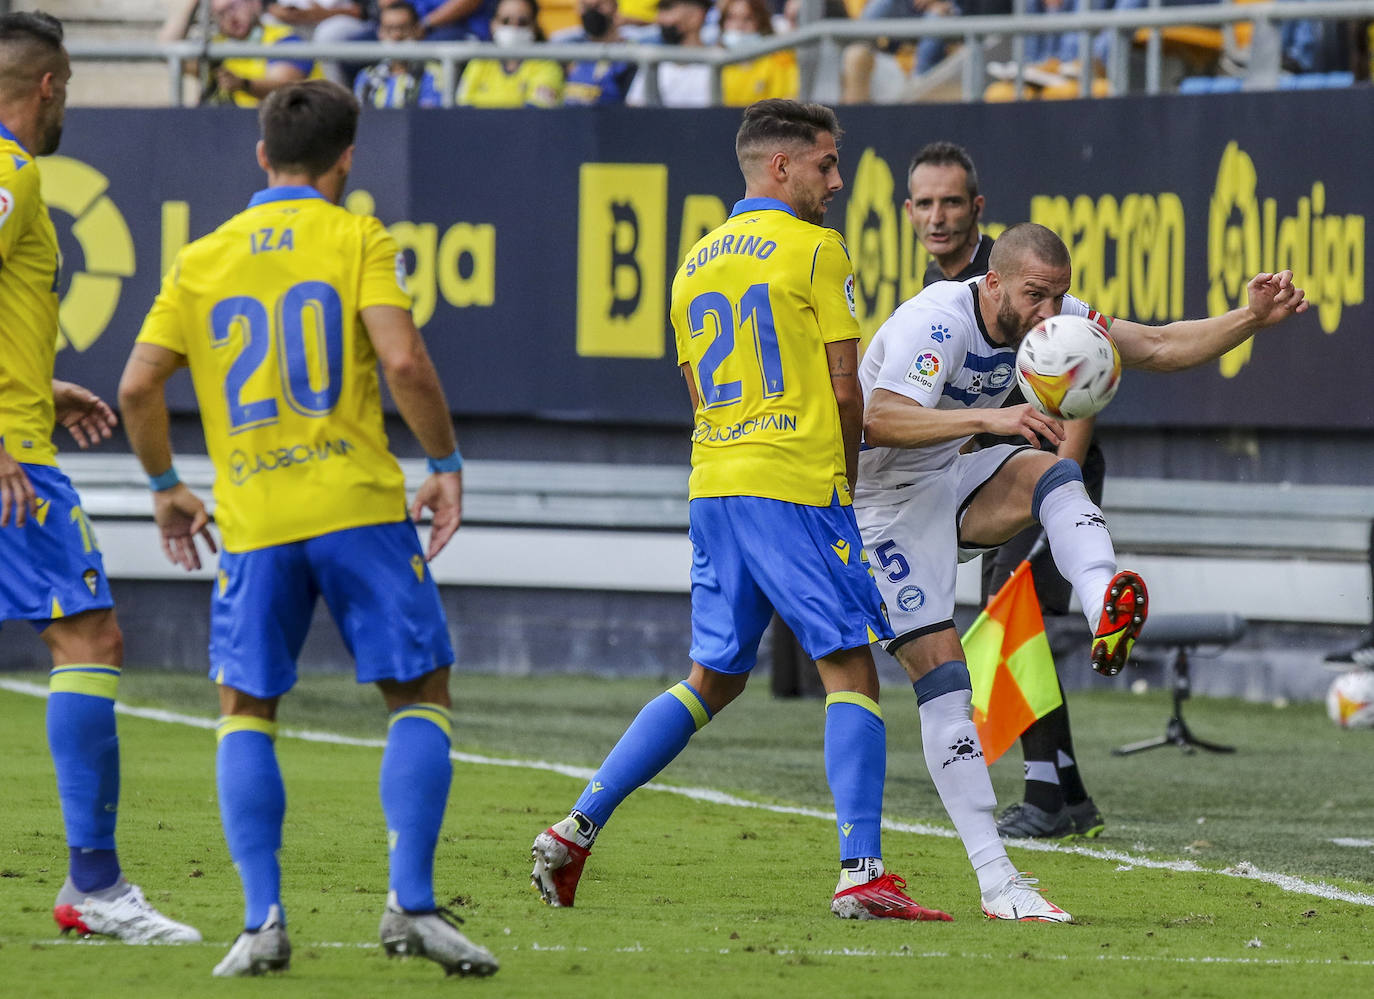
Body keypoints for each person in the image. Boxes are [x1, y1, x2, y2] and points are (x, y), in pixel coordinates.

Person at [531, 99, 953, 923]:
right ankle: (862, 871)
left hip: (716, 482)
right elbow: (845, 386)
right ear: (780, 166)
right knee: (851, 667)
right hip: (794, 482)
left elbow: (696, 392)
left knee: (713, 677)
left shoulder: (693, 264)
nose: (837, 181)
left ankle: (576, 827)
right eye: (827, 165)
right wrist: (844, 481)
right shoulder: (816, 250)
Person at [116, 80, 498, 979]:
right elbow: (402, 358)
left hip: (253, 517)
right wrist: (443, 463)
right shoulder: (356, 234)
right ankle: (408, 902)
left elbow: (137, 386)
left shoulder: (203, 256)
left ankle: (261, 922)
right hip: (360, 507)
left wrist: (168, 485)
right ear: (346, 160)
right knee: (419, 692)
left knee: (246, 710)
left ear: (261, 156)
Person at [854, 222, 1307, 913]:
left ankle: (1105, 609)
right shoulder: (936, 323)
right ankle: (997, 880)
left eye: (1058, 295)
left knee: (1055, 475)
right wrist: (997, 422)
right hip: (878, 507)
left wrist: (1252, 317)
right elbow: (879, 418)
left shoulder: (1056, 317)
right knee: (947, 680)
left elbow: (1155, 344)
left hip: (950, 478)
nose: (1049, 312)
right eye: (1036, 295)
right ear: (995, 281)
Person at [0, 11, 201, 946]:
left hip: (20, 426)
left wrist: (36, 381)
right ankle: (96, 885)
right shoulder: (11, 167)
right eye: (68, 87)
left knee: (85, 631)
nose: (66, 102)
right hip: (12, 466)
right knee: (88, 634)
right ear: (48, 86)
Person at [908, 141, 1105, 841]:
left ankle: (1046, 792)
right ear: (909, 212)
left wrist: (1062, 487)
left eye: (952, 202)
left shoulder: (1020, 278)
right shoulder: (939, 303)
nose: (938, 217)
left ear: (977, 209)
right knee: (1005, 617)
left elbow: (1078, 383)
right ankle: (1070, 789)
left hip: (1042, 470)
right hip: (982, 482)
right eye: (926, 203)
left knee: (1007, 613)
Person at [840, 0, 961, 104]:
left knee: (937, 20)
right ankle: (856, 125)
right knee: (856, 54)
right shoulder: (886, 5)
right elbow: (857, 37)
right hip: (890, 64)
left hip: (939, 74)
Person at [202, 0, 317, 106]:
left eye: (233, 7)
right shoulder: (216, 45)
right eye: (221, 14)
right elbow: (185, 63)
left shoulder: (285, 38)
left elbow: (284, 89)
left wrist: (244, 84)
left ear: (254, 3)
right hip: (239, 121)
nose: (230, 17)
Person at [455, 0, 564, 107]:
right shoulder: (480, 62)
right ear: (493, 24)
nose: (514, 28)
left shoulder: (547, 66)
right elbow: (464, 107)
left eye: (522, 22)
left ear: (534, 27)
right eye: (506, 21)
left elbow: (536, 115)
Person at [555, 0, 648, 106]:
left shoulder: (630, 56)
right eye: (586, 7)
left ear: (615, 6)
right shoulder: (568, 49)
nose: (592, 13)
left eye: (598, 6)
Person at [354, 1, 445, 107]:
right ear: (380, 33)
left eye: (403, 28)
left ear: (418, 30)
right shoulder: (366, 76)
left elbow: (432, 120)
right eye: (389, 29)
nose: (396, 35)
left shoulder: (434, 74)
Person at [625, 0, 713, 107]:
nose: (659, 19)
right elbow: (632, 114)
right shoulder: (651, 63)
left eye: (667, 9)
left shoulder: (720, 65)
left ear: (695, 16)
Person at [718, 0, 799, 105]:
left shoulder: (780, 60)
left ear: (761, 23)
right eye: (731, 18)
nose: (739, 26)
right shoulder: (716, 63)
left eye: (748, 19)